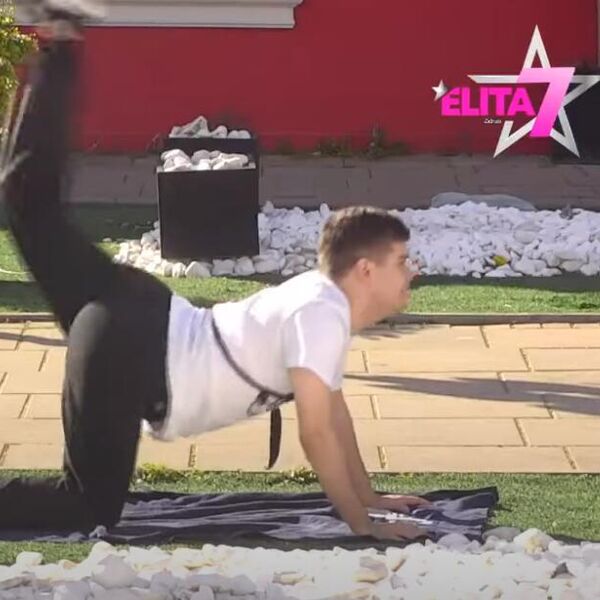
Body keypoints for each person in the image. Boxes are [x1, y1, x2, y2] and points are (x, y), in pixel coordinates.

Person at [0, 1, 430, 541]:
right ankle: (59, 39)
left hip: (138, 309)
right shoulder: (321, 315)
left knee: (31, 208)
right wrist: (362, 522)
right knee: (85, 508)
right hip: (130, 347)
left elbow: (335, 417)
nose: (412, 272)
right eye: (401, 261)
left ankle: (59, 40)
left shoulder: (320, 303)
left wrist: (371, 498)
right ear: (364, 270)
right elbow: (318, 433)